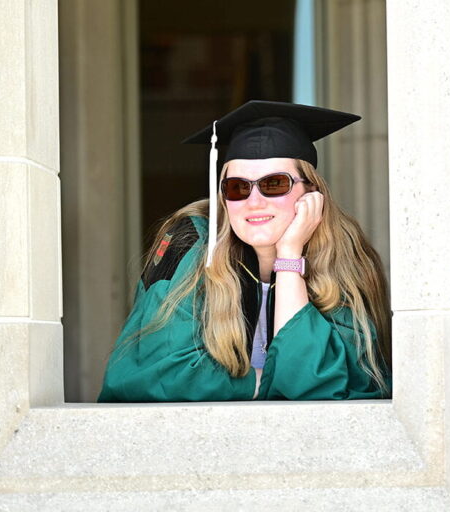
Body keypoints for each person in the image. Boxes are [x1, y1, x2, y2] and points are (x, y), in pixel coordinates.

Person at [98, 100, 390, 402]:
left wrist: (290, 256)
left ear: (311, 193)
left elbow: (324, 386)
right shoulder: (191, 242)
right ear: (223, 196)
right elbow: (151, 375)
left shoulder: (342, 256)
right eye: (238, 187)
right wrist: (264, 383)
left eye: (274, 184)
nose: (254, 201)